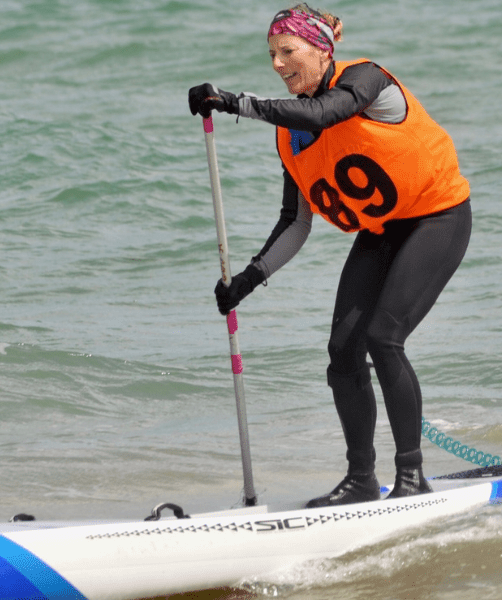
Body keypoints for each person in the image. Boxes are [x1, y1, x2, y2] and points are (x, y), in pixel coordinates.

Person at [188, 3, 472, 509]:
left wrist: (235, 103)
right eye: (271, 54)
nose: (277, 63)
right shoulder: (290, 137)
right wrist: (246, 282)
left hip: (437, 218)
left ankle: (411, 476)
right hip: (382, 231)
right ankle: (361, 478)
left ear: (320, 50)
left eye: (287, 51)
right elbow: (296, 221)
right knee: (343, 352)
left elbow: (327, 112)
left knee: (385, 338)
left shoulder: (367, 80)